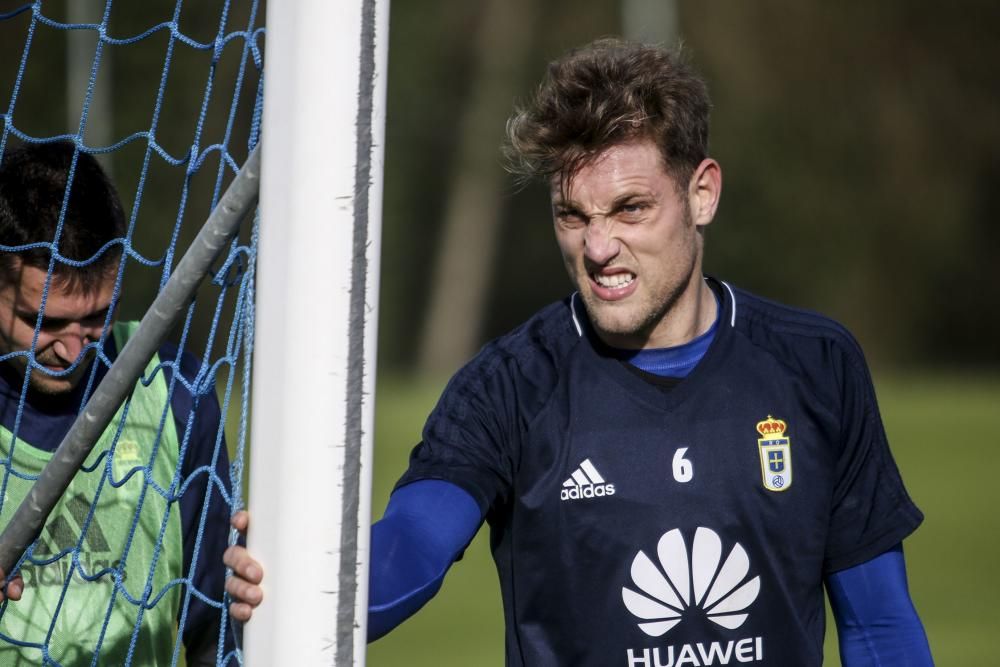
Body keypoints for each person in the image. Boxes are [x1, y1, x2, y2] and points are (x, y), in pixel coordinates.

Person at [228, 38, 934, 665]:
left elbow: (878, 624)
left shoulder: (816, 364)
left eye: (631, 208)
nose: (597, 248)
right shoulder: (510, 384)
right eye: (573, 215)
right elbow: (414, 542)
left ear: (702, 193)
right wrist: (290, 584)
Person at [0, 141, 241, 665]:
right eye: (44, 322)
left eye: (95, 319)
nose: (70, 349)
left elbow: (216, 627)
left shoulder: (174, 391)